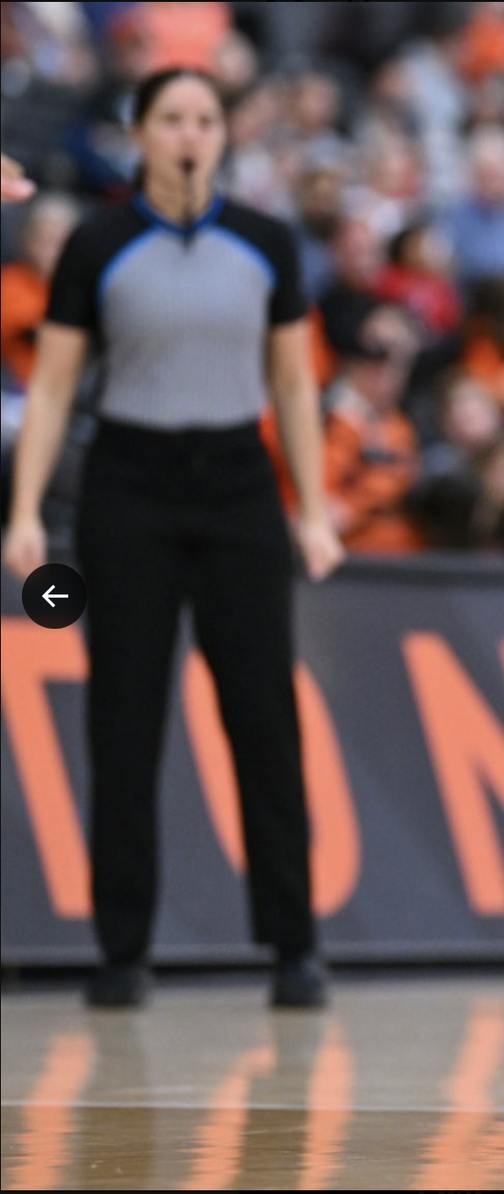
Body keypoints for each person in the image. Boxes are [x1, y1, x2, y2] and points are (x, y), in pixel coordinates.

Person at [0, 68, 346, 1009]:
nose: (189, 134)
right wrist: (24, 509)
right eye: (171, 118)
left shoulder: (266, 241)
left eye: (204, 119)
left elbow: (293, 386)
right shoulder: (98, 241)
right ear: (142, 134)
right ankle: (121, 950)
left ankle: (293, 945)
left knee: (264, 719)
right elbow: (54, 387)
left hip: (237, 488)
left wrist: (313, 509)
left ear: (223, 136)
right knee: (124, 720)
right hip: (129, 486)